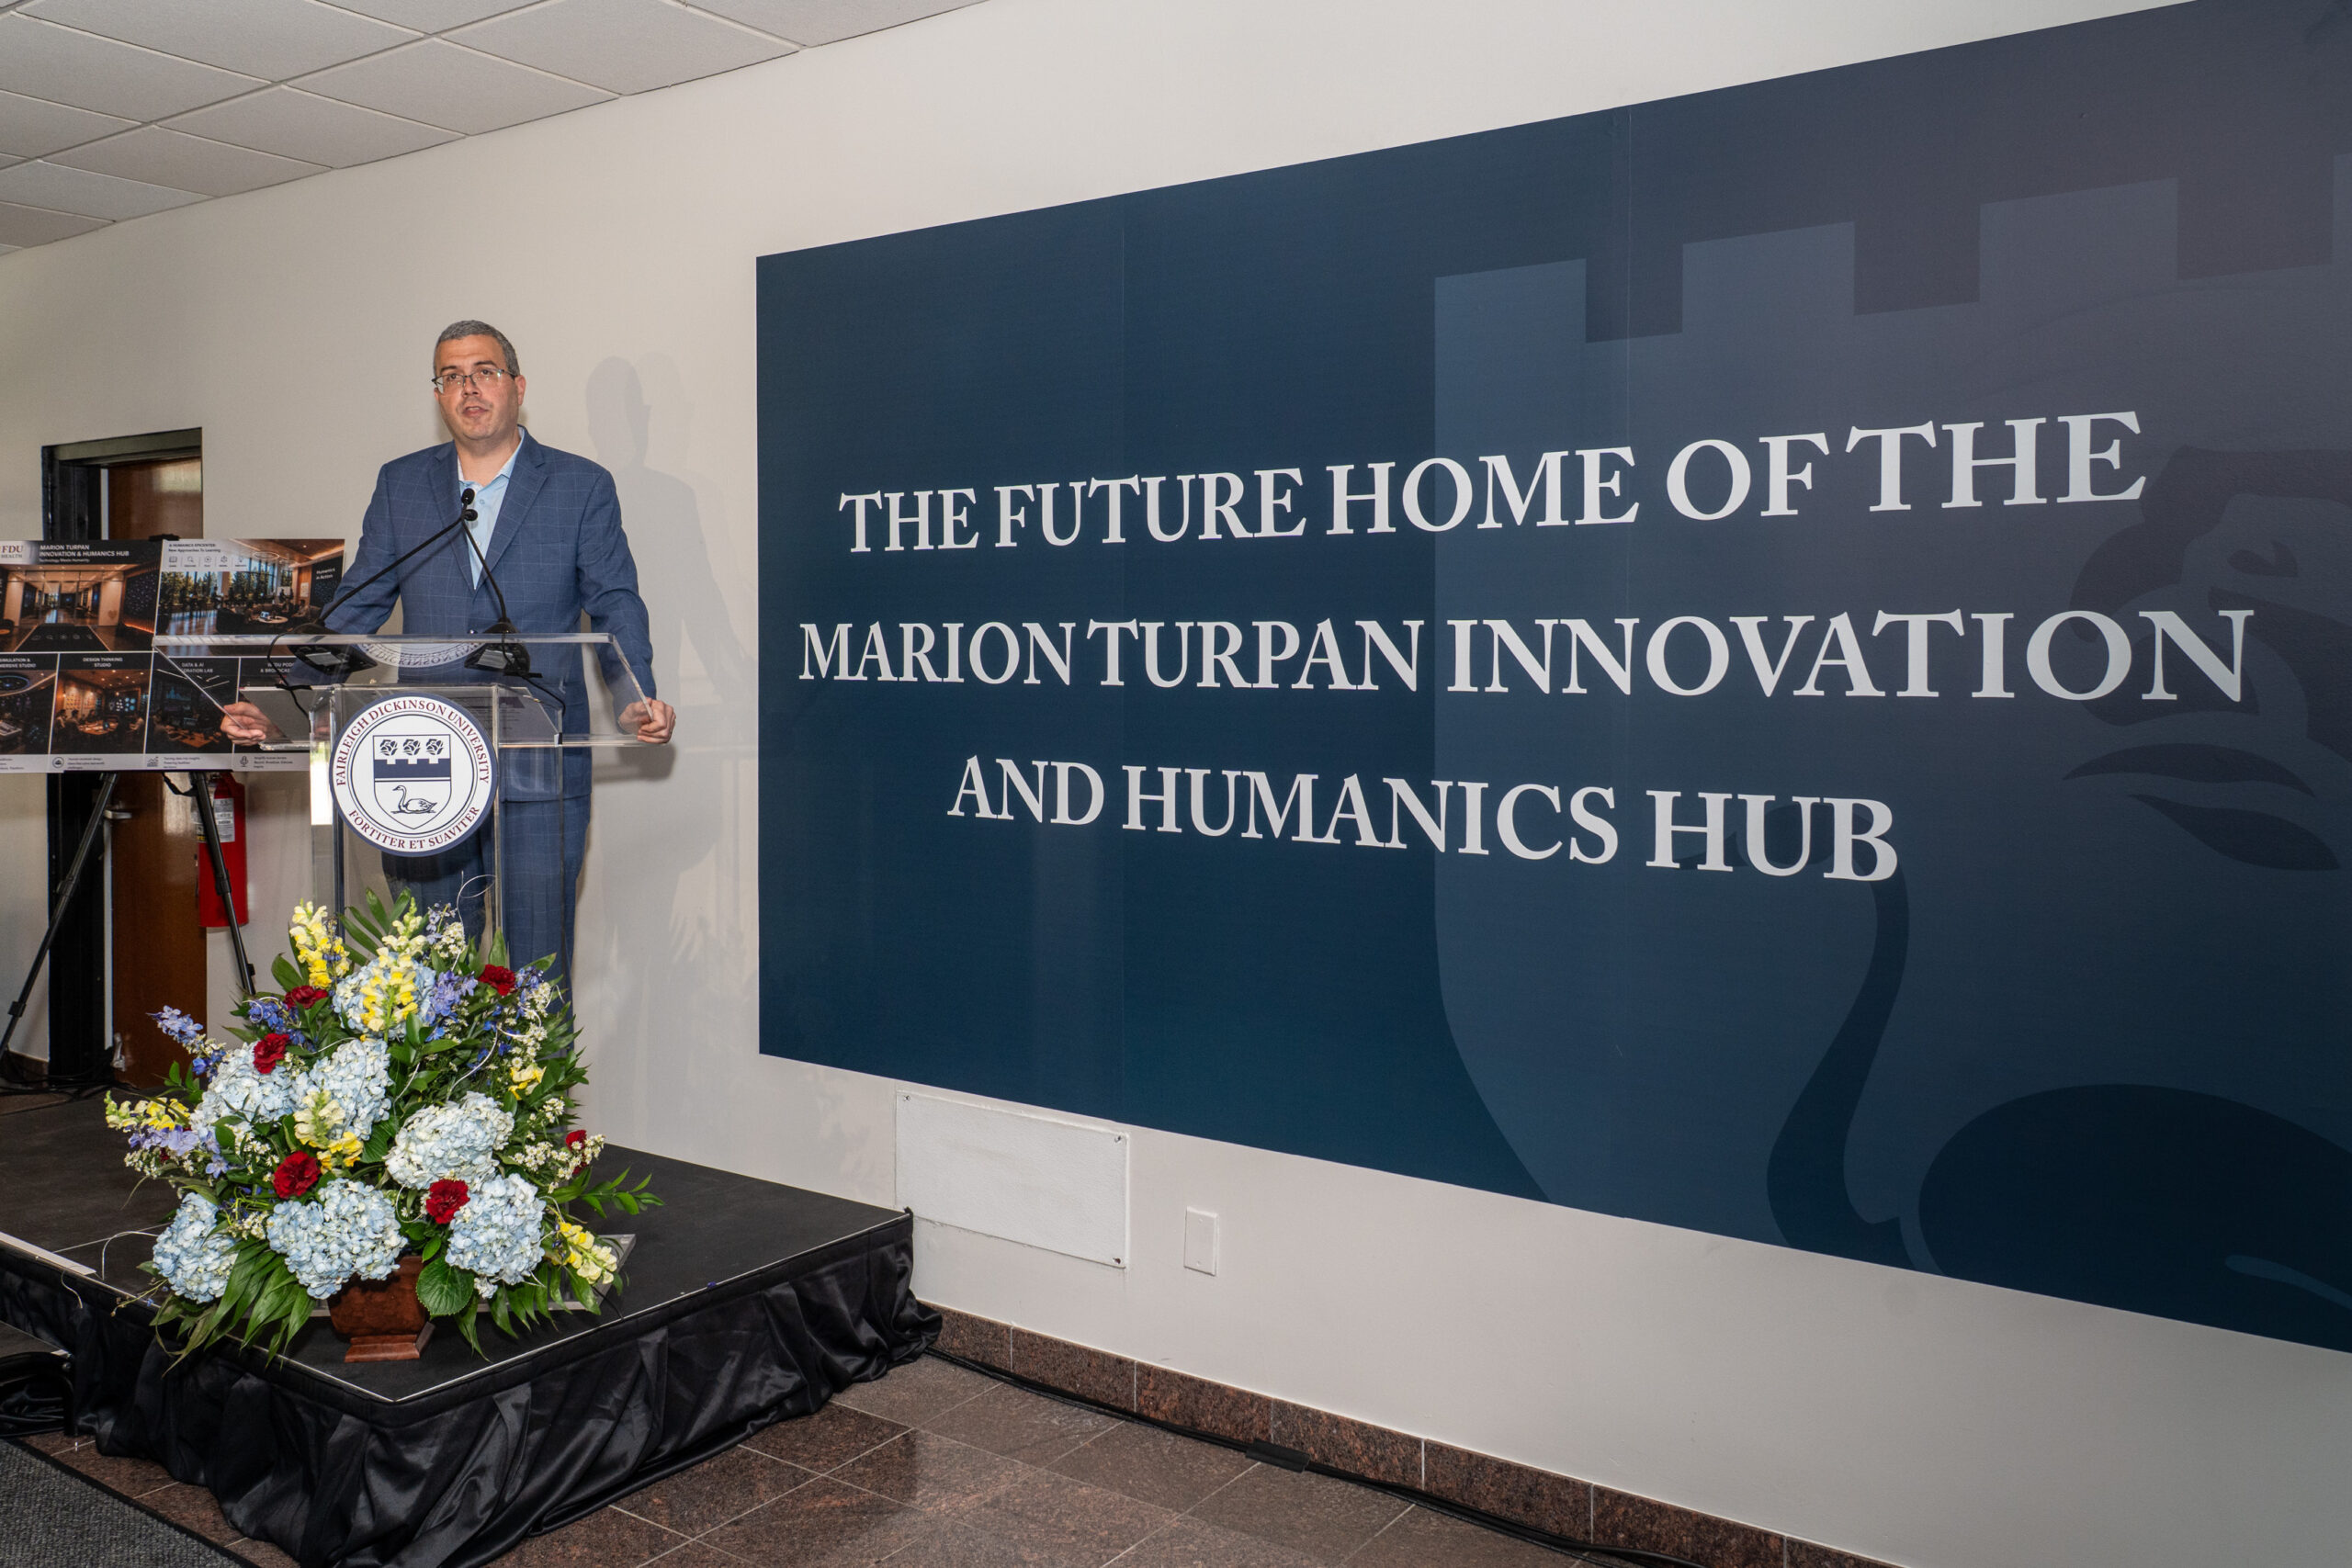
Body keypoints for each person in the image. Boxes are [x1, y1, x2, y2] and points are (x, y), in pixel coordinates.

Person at [223, 321, 675, 990]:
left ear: (517, 387)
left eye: (484, 372)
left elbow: (615, 602)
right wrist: (284, 707)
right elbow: (357, 610)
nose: (469, 388)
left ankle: (534, 1098)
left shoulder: (581, 486)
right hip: (423, 758)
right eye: (451, 376)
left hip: (538, 758)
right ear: (438, 394)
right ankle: (441, 1099)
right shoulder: (403, 484)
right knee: (431, 975)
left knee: (535, 973)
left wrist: (635, 692)